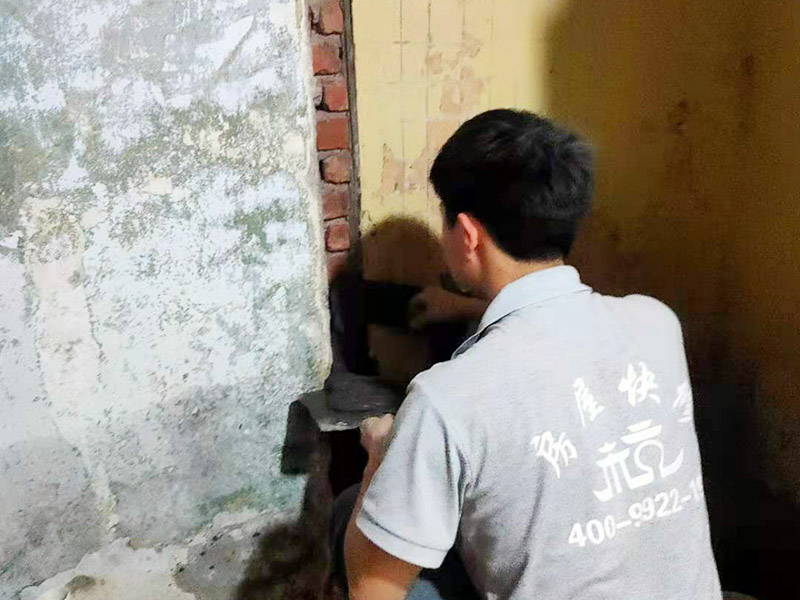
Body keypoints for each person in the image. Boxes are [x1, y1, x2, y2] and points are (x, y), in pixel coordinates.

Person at [332, 109, 722, 600]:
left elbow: (372, 592)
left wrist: (380, 460)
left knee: (355, 511)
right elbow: (551, 323)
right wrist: (460, 305)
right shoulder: (656, 323)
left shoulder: (445, 398)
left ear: (467, 235)